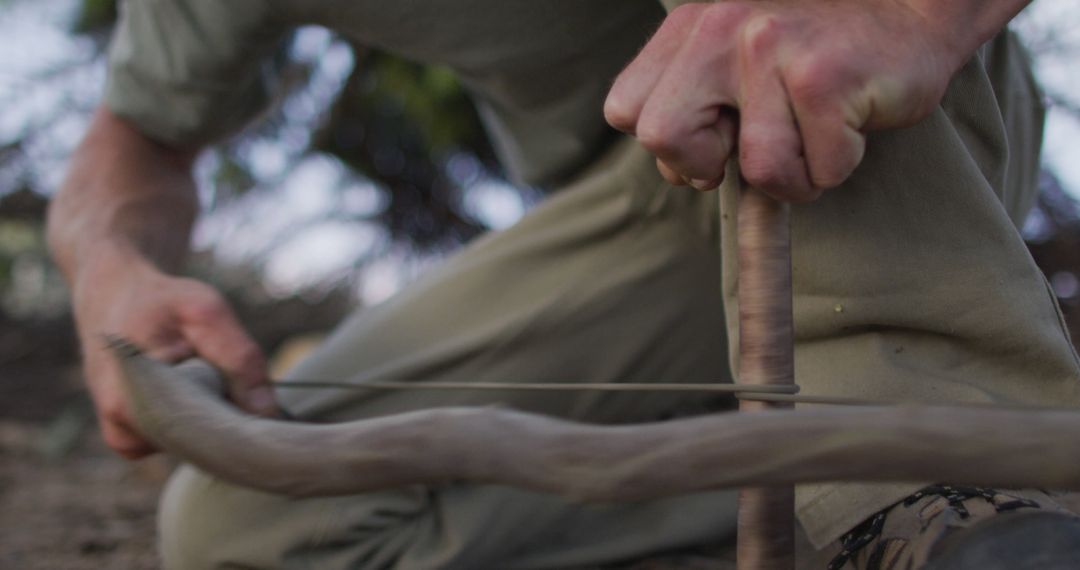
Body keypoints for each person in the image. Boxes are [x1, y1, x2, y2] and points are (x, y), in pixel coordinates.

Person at [47, 0, 1080, 568]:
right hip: (635, 224)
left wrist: (911, 12)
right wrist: (109, 271)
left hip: (878, 138)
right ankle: (835, 519)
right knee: (252, 524)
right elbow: (131, 146)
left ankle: (964, 507)